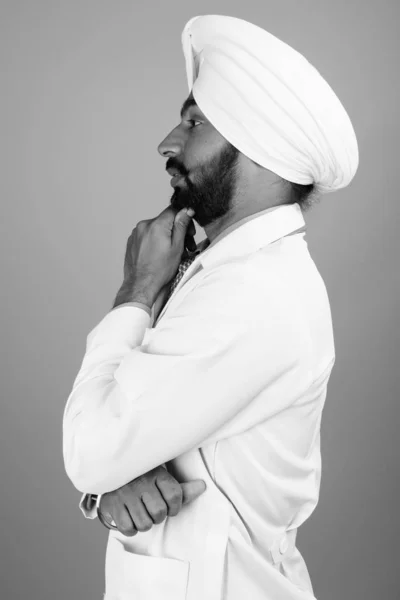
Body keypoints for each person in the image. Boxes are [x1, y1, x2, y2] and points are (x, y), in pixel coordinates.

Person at [62, 14, 358, 600]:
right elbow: (129, 443)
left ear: (257, 146)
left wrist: (136, 294)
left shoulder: (253, 294)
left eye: (195, 122)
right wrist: (109, 482)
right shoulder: (228, 271)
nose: (168, 144)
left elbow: (92, 446)